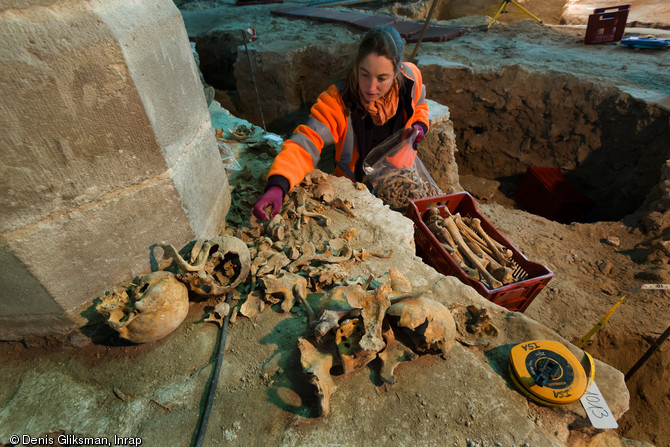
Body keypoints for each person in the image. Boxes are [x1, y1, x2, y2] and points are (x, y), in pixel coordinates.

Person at [253, 25, 429, 220]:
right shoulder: (338, 100)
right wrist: (278, 184)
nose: (371, 87)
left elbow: (420, 104)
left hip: (401, 180)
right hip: (357, 189)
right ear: (357, 66)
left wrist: (420, 125)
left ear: (396, 71)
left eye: (382, 78)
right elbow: (307, 140)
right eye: (364, 74)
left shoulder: (411, 77)